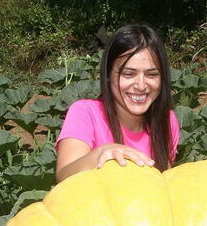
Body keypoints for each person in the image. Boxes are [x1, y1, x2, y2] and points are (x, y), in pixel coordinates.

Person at [56, 23, 179, 182]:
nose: (141, 85)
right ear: (107, 74)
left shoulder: (167, 121)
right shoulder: (85, 113)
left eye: (152, 74)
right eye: (128, 74)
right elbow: (63, 176)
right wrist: (101, 153)